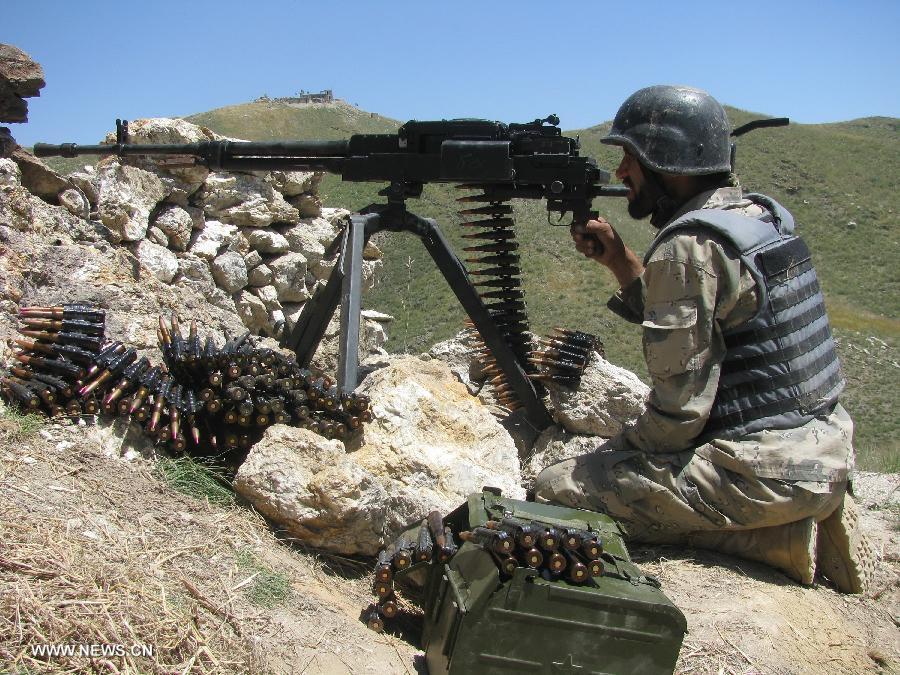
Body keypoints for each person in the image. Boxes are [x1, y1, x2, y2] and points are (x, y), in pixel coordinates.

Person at [533, 85, 874, 593]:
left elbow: (676, 419)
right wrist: (620, 264)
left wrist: (608, 458)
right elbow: (718, 316)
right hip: (824, 448)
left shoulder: (688, 248)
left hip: (768, 474)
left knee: (556, 485)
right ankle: (791, 516)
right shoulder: (760, 217)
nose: (622, 171)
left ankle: (775, 541)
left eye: (631, 157)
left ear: (667, 160)